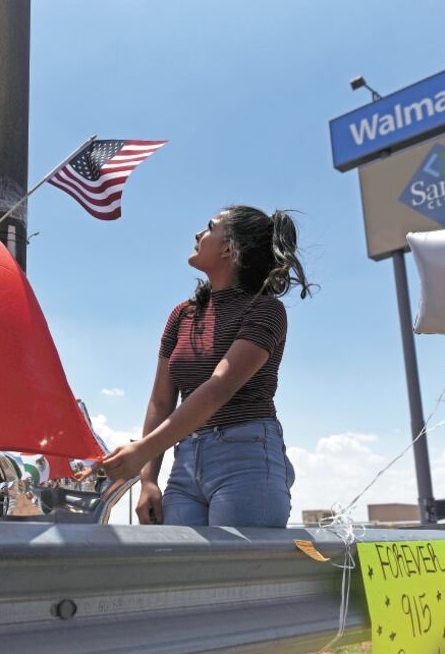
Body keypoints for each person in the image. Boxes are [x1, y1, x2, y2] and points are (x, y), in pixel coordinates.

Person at [101, 205, 312, 527]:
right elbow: (161, 401)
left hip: (247, 458)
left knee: (241, 575)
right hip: (185, 461)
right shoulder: (181, 316)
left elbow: (219, 388)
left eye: (209, 228)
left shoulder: (266, 311)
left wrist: (143, 450)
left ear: (231, 248)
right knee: (182, 571)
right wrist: (148, 479)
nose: (198, 234)